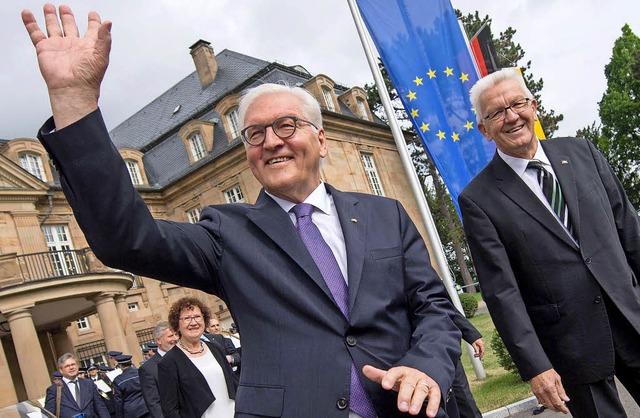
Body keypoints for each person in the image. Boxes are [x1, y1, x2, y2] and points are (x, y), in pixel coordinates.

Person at [22, 5, 462, 417]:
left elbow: (434, 307)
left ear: (322, 139)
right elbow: (126, 238)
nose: (271, 141)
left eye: (286, 125)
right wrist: (75, 102)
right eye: (254, 133)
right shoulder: (225, 233)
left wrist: (426, 365)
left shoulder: (385, 214)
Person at [458, 67, 640, 416]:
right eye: (496, 112)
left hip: (632, 314)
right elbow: (502, 292)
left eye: (517, 104)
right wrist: (535, 366)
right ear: (484, 129)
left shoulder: (583, 152)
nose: (511, 116)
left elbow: (629, 229)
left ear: (534, 106)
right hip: (572, 345)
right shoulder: (478, 200)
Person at [158, 297, 237, 417]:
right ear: (177, 325)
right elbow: (170, 410)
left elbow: (233, 382)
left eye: (197, 317)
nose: (193, 322)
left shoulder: (215, 348)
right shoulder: (169, 362)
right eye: (186, 318)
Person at [44, 353, 110, 418]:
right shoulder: (54, 390)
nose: (71, 367)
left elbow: (100, 408)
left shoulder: (89, 384)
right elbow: (49, 414)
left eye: (73, 364)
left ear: (77, 366)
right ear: (61, 370)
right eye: (67, 366)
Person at [139, 320, 179, 418]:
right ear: (158, 340)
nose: (175, 338)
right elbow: (154, 404)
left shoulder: (186, 356)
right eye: (170, 336)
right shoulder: (148, 369)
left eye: (176, 334)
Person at [451, 314, 483, 418]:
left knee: (465, 402)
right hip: (405, 361)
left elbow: (441, 303)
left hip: (443, 353)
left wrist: (470, 334)